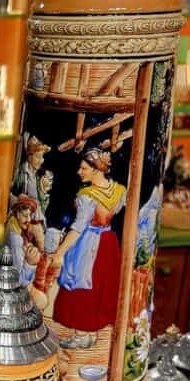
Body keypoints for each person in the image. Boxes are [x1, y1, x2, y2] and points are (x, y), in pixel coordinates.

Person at [51, 148, 126, 350]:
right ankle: (91, 332)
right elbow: (117, 211)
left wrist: (60, 251)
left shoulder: (87, 196)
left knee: (81, 283)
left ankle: (83, 333)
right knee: (99, 284)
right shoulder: (119, 190)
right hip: (108, 241)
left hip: (88, 244)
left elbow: (78, 226)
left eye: (84, 168)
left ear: (96, 169)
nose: (79, 172)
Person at [11, 135, 50, 248]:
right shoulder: (22, 173)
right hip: (27, 220)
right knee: (40, 246)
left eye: (42, 157)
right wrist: (19, 199)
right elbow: (11, 192)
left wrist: (43, 192)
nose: (41, 161)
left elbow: (42, 208)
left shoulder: (37, 177)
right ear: (29, 156)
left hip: (37, 220)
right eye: (38, 157)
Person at [5, 195, 41, 285]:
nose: (28, 219)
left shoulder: (16, 230)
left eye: (29, 215)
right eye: (25, 216)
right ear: (17, 214)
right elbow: (19, 281)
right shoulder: (15, 239)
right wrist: (30, 263)